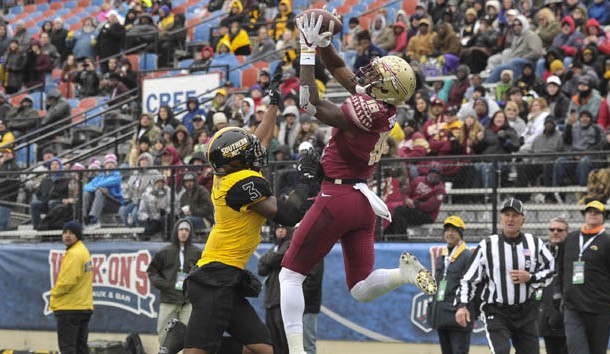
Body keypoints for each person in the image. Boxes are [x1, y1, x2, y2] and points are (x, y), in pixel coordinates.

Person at [278, 13, 436, 354]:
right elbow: (339, 69)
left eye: (377, 73)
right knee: (361, 287)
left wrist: (306, 51)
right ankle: (403, 275)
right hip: (363, 203)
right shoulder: (385, 106)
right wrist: (325, 44)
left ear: (386, 86)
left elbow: (309, 103)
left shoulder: (366, 111)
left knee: (290, 275)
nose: (369, 71)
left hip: (338, 195)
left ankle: (295, 350)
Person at [184, 73, 316, 354]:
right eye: (246, 151)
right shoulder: (239, 185)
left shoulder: (231, 171)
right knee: (198, 351)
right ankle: (179, 341)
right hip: (215, 277)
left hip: (225, 276)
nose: (255, 151)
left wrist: (273, 104)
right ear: (237, 160)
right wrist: (305, 180)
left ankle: (181, 336)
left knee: (262, 349)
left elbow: (259, 140)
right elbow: (289, 214)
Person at [455, 198, 555, 354]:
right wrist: (462, 306)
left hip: (526, 311)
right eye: (506, 214)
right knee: (501, 351)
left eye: (515, 215)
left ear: (523, 219)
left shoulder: (534, 243)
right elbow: (468, 279)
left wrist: (531, 277)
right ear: (500, 218)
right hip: (496, 310)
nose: (510, 219)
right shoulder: (487, 245)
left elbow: (551, 268)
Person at [556, 200, 610, 354]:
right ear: (584, 215)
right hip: (573, 307)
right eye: (589, 211)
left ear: (603, 217)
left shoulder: (607, 242)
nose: (592, 214)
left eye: (597, 212)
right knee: (577, 349)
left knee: (597, 351)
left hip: (599, 309)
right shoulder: (571, 239)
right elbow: (560, 269)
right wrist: (558, 292)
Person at [147, 218, 202, 346]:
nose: (183, 232)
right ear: (176, 232)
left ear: (190, 233)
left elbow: (204, 273)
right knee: (164, 336)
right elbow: (152, 272)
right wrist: (165, 285)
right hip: (168, 300)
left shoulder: (197, 252)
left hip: (188, 301)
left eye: (186, 230)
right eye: (181, 229)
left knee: (189, 337)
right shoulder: (165, 252)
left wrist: (195, 289)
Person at [429, 216, 473, 354]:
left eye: (454, 230)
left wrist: (463, 307)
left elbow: (470, 285)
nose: (450, 233)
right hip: (442, 315)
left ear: (460, 234)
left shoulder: (467, 256)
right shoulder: (442, 256)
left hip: (457, 315)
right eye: (447, 230)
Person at [49, 221, 93, 354]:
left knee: (68, 348)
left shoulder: (74, 254)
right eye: (65, 232)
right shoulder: (83, 250)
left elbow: (68, 281)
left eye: (72, 233)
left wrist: (54, 293)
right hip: (83, 307)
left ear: (78, 235)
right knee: (81, 347)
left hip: (70, 307)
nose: (67, 235)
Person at [539, 217, 569, 354]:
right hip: (546, 312)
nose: (555, 232)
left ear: (567, 232)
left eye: (560, 230)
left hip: (569, 312)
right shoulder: (541, 251)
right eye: (552, 229)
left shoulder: (573, 251)